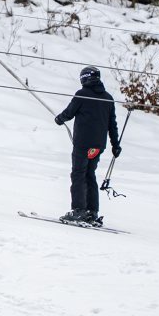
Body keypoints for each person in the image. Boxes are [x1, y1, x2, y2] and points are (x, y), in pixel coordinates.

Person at [54, 66, 120, 226]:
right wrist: (115, 144)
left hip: (83, 143)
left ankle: (78, 210)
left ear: (84, 78)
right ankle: (92, 211)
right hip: (98, 145)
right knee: (90, 175)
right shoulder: (108, 98)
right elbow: (112, 124)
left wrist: (59, 119)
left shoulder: (82, 94)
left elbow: (69, 113)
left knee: (78, 174)